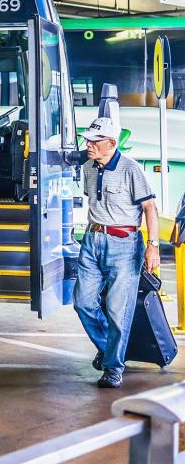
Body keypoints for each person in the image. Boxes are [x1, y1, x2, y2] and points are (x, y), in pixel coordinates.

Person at [75, 117, 161, 389]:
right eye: (87, 140)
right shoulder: (88, 168)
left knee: (116, 311)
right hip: (92, 240)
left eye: (94, 141)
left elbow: (150, 209)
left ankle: (113, 368)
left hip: (124, 245)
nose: (88, 145)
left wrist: (153, 246)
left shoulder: (131, 169)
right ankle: (108, 347)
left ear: (111, 143)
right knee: (82, 302)